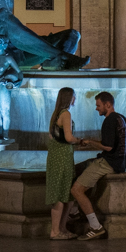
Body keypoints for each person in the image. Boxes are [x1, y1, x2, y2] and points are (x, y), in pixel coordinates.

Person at [68, 90, 126, 240]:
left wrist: (90, 141)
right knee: (78, 168)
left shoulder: (109, 120)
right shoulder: (125, 120)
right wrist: (124, 161)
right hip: (118, 163)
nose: (96, 108)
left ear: (108, 104)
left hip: (107, 163)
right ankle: (76, 211)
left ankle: (95, 226)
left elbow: (108, 147)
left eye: (98, 105)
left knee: (77, 190)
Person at [45, 87, 80, 240]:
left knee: (66, 194)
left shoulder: (55, 114)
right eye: (74, 96)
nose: (75, 99)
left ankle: (62, 228)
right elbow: (68, 137)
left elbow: (52, 137)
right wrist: (81, 141)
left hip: (56, 156)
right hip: (62, 157)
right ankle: (55, 231)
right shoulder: (65, 114)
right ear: (69, 98)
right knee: (61, 193)